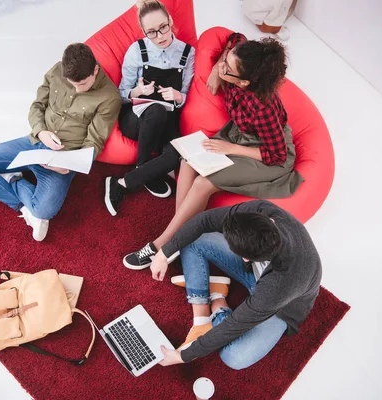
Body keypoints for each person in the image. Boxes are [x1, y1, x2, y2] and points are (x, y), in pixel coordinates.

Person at [122, 31, 303, 270]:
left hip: (262, 152)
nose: (222, 65)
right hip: (238, 134)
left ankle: (163, 245)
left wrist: (231, 148)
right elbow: (235, 37)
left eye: (228, 66)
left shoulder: (262, 106)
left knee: (203, 184)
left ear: (243, 82)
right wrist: (221, 66)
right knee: (187, 161)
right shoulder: (239, 59)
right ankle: (181, 235)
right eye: (226, 58)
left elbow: (276, 154)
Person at [0, 43, 121, 241]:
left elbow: (94, 142)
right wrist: (41, 131)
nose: (78, 90)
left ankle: (12, 178)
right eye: (73, 83)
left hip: (62, 158)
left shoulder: (110, 97)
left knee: (45, 210)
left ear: (95, 70)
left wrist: (69, 166)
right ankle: (24, 205)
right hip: (33, 142)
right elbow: (37, 106)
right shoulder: (56, 71)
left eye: (83, 84)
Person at [153, 200, 322, 370]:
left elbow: (234, 325)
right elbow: (205, 220)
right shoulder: (264, 211)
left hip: (281, 308)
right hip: (259, 275)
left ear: (246, 258)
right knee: (193, 238)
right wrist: (164, 253)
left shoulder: (280, 285)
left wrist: (184, 356)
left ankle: (219, 305)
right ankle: (201, 318)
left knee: (234, 358)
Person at [104, 0, 195, 216]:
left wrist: (178, 96)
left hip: (166, 120)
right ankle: (144, 168)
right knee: (155, 110)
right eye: (152, 32)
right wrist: (138, 92)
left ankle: (123, 182)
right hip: (135, 119)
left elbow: (188, 96)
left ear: (170, 21)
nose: (160, 36)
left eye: (163, 27)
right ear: (144, 32)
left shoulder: (186, 53)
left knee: (178, 153)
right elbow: (121, 94)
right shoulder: (137, 50)